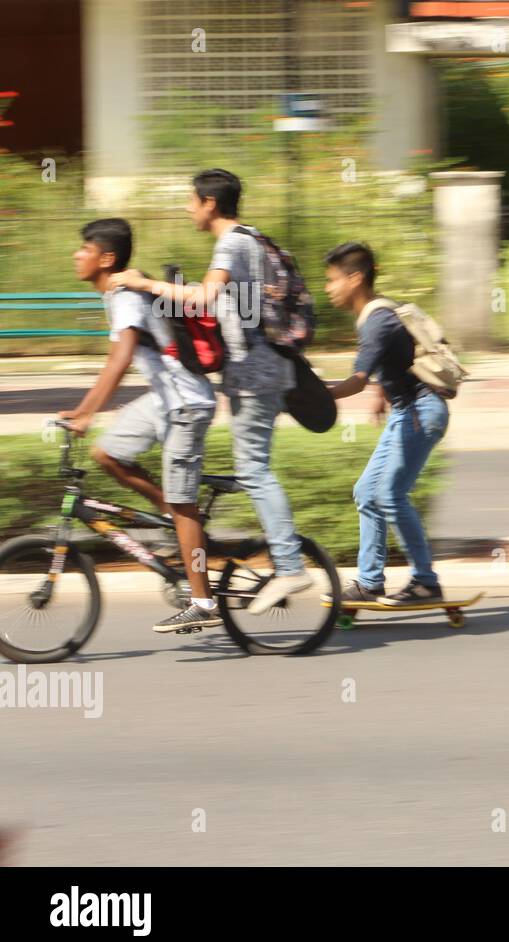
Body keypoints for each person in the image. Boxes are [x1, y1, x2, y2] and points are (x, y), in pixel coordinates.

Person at [110, 168, 310, 614]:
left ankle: (291, 565)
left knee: (254, 469)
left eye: (190, 200)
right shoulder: (251, 239)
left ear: (210, 204)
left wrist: (143, 284)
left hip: (258, 374)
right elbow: (221, 306)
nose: (187, 208)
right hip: (260, 371)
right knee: (246, 467)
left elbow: (203, 298)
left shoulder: (232, 242)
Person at [58, 218, 220, 633]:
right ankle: (174, 517)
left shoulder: (125, 296)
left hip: (186, 404)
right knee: (107, 453)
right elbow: (120, 357)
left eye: (85, 248)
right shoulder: (116, 294)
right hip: (163, 400)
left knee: (186, 505)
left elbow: (122, 357)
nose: (77, 254)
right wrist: (84, 411)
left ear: (106, 258)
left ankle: (202, 600)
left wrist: (85, 413)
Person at [322, 242, 450, 607]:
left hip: (420, 412)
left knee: (391, 495)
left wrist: (314, 396)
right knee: (367, 493)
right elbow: (396, 357)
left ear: (355, 278)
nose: (328, 288)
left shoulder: (376, 320)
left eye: (332, 280)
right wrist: (383, 393)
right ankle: (370, 582)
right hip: (407, 411)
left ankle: (426, 581)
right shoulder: (381, 312)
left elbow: (356, 379)